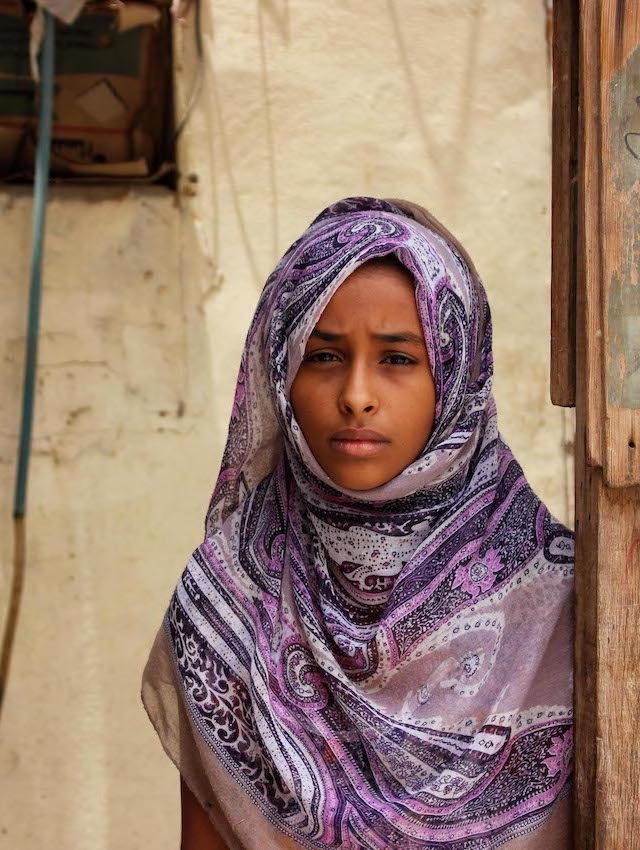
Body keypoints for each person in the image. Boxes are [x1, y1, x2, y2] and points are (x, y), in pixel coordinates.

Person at [142, 197, 574, 849]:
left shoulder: (556, 600)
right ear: (281, 374)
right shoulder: (228, 601)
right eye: (324, 357)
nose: (356, 395)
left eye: (397, 358)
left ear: (455, 376)